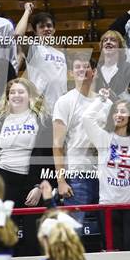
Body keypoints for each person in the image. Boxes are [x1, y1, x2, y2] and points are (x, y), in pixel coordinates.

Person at [0, 77, 54, 255]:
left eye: (21, 91)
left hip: (32, 183)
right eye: (12, 92)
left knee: (33, 236)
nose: (16, 95)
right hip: (5, 182)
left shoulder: (43, 120)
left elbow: (48, 157)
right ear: (7, 96)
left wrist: (39, 186)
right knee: (5, 236)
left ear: (30, 95)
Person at [82, 89, 130, 250]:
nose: (119, 115)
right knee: (113, 251)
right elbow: (87, 118)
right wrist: (100, 99)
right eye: (116, 111)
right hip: (108, 204)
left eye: (123, 111)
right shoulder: (103, 137)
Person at [53, 54, 100, 224]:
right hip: (77, 173)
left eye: (86, 66)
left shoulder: (106, 102)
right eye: (77, 67)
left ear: (94, 71)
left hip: (104, 173)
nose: (82, 69)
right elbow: (57, 145)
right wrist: (61, 181)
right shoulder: (64, 102)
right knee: (74, 228)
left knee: (108, 227)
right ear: (71, 73)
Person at [15, 2, 67, 112]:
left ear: (54, 30)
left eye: (49, 26)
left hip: (60, 108)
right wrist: (27, 11)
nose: (46, 29)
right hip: (40, 107)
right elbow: (17, 35)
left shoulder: (61, 54)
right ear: (35, 31)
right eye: (41, 26)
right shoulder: (34, 48)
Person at [94, 30, 130, 100]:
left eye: (113, 40)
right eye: (105, 40)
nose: (108, 42)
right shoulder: (95, 70)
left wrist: (115, 98)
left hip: (121, 110)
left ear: (120, 46)